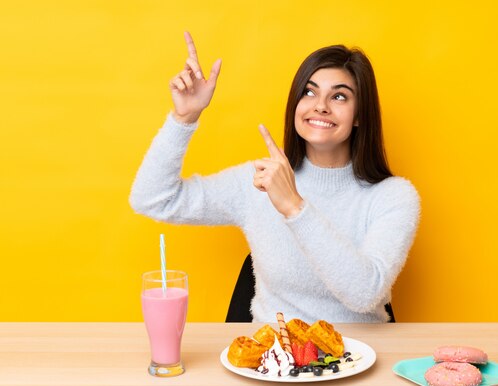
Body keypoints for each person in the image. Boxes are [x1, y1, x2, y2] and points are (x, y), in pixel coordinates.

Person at [130, 32, 420, 323]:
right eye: (309, 92)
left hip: (361, 360)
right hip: (272, 361)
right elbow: (153, 199)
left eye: (340, 96)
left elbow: (364, 295)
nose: (320, 105)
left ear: (359, 115)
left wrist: (294, 206)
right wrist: (184, 118)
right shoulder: (258, 181)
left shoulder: (393, 197)